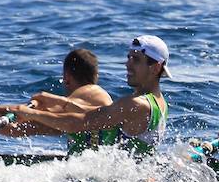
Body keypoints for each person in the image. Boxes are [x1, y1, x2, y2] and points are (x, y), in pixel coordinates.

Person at [9, 35, 170, 157]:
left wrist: (31, 113)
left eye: (135, 59)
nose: (127, 64)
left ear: (155, 68)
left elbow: (81, 122)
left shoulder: (136, 104)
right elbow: (101, 113)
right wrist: (60, 102)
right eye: (128, 57)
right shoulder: (159, 102)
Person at [0, 47, 113, 153]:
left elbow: (32, 113)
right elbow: (27, 127)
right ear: (96, 76)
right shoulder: (76, 116)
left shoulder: (91, 94)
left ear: (66, 78)